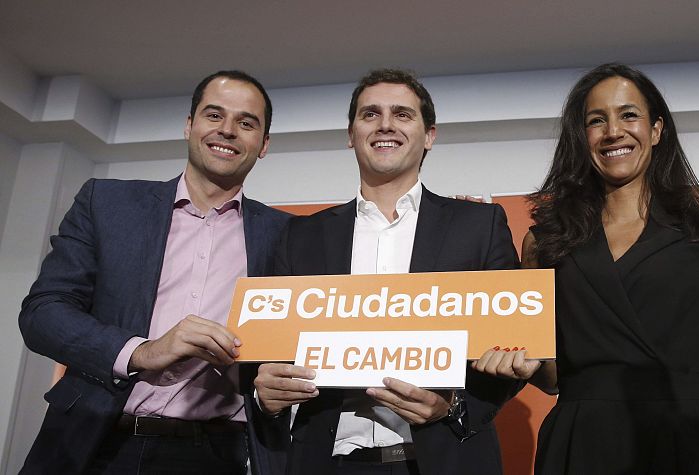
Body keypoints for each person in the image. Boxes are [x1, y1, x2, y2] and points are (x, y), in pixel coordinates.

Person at [473, 63, 699, 474]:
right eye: (597, 120)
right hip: (582, 442)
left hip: (690, 441)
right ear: (582, 137)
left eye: (629, 115)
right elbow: (552, 374)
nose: (613, 131)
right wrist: (522, 363)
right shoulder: (545, 242)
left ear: (657, 130)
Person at [242, 68, 521, 475]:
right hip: (326, 463)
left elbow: (514, 344)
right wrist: (263, 392)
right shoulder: (299, 236)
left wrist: (454, 406)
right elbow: (264, 351)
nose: (385, 124)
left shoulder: (479, 225)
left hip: (444, 457)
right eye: (370, 114)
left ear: (430, 135)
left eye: (403, 114)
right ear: (350, 133)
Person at [18, 70, 291, 474]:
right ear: (189, 125)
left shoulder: (287, 234)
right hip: (94, 443)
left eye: (247, 123)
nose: (228, 130)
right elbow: (42, 313)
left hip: (216, 455)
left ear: (263, 144)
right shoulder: (107, 203)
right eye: (214, 115)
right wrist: (141, 351)